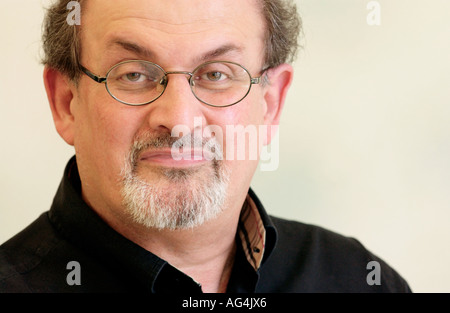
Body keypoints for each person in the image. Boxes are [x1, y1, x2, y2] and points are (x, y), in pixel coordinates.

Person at [0, 0, 411, 293]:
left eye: (216, 74)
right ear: (66, 103)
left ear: (270, 103)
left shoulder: (360, 279)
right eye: (133, 75)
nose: (179, 120)